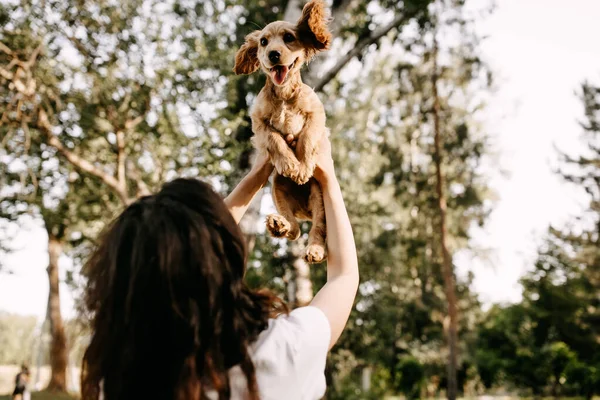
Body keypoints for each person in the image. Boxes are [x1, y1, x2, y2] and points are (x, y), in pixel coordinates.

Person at [80, 135, 358, 400]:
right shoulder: (274, 355)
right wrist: (327, 178)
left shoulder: (119, 377)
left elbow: (197, 250)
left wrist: (254, 180)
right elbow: (343, 277)